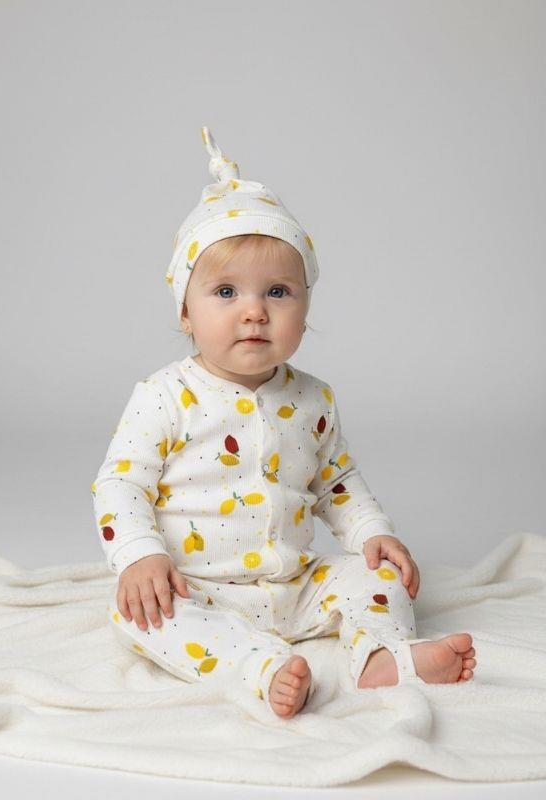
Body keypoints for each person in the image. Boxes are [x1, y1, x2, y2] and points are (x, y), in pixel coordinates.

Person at [91, 126, 476, 718]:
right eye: (226, 292)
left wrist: (371, 533)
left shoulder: (313, 399)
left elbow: (337, 482)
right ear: (186, 312)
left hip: (296, 585)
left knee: (377, 578)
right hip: (196, 588)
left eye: (277, 292)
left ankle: (381, 657)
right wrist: (140, 556)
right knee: (139, 616)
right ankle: (260, 668)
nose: (254, 312)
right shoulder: (164, 397)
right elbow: (120, 484)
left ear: (305, 305)